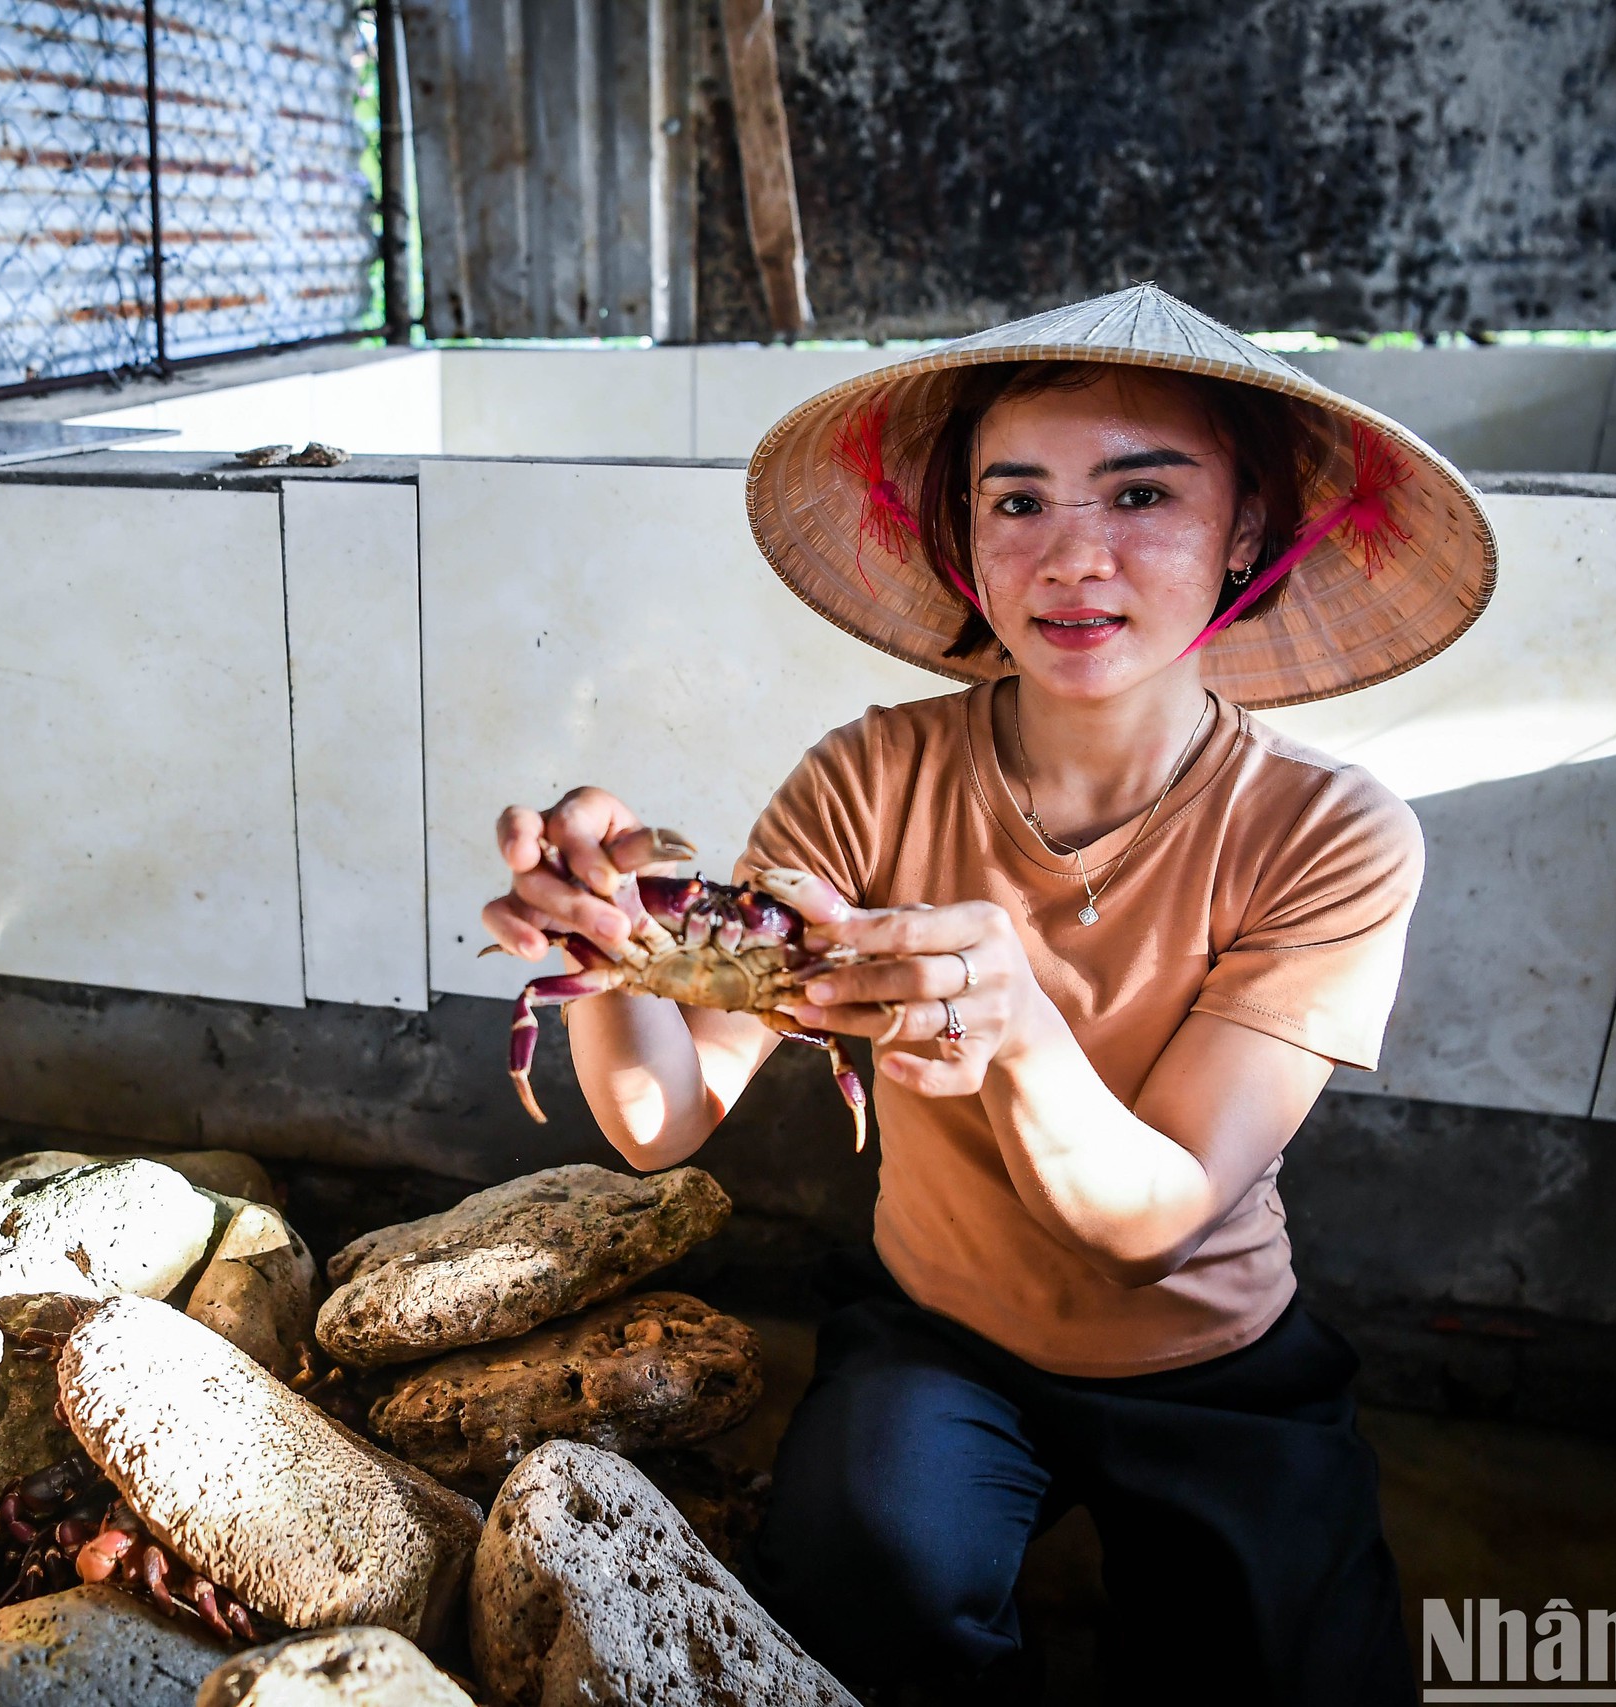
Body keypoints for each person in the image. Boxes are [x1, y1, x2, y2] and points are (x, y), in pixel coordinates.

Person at [478, 285, 1497, 1703]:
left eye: (1141, 492)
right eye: (1016, 502)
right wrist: (605, 947)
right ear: (962, 539)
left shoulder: (1331, 834)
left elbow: (1149, 1226)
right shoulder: (870, 778)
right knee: (855, 1595)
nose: (1075, 556)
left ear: (1246, 531)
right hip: (939, 1340)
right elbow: (660, 1116)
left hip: (1213, 1361)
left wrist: (1015, 1021)